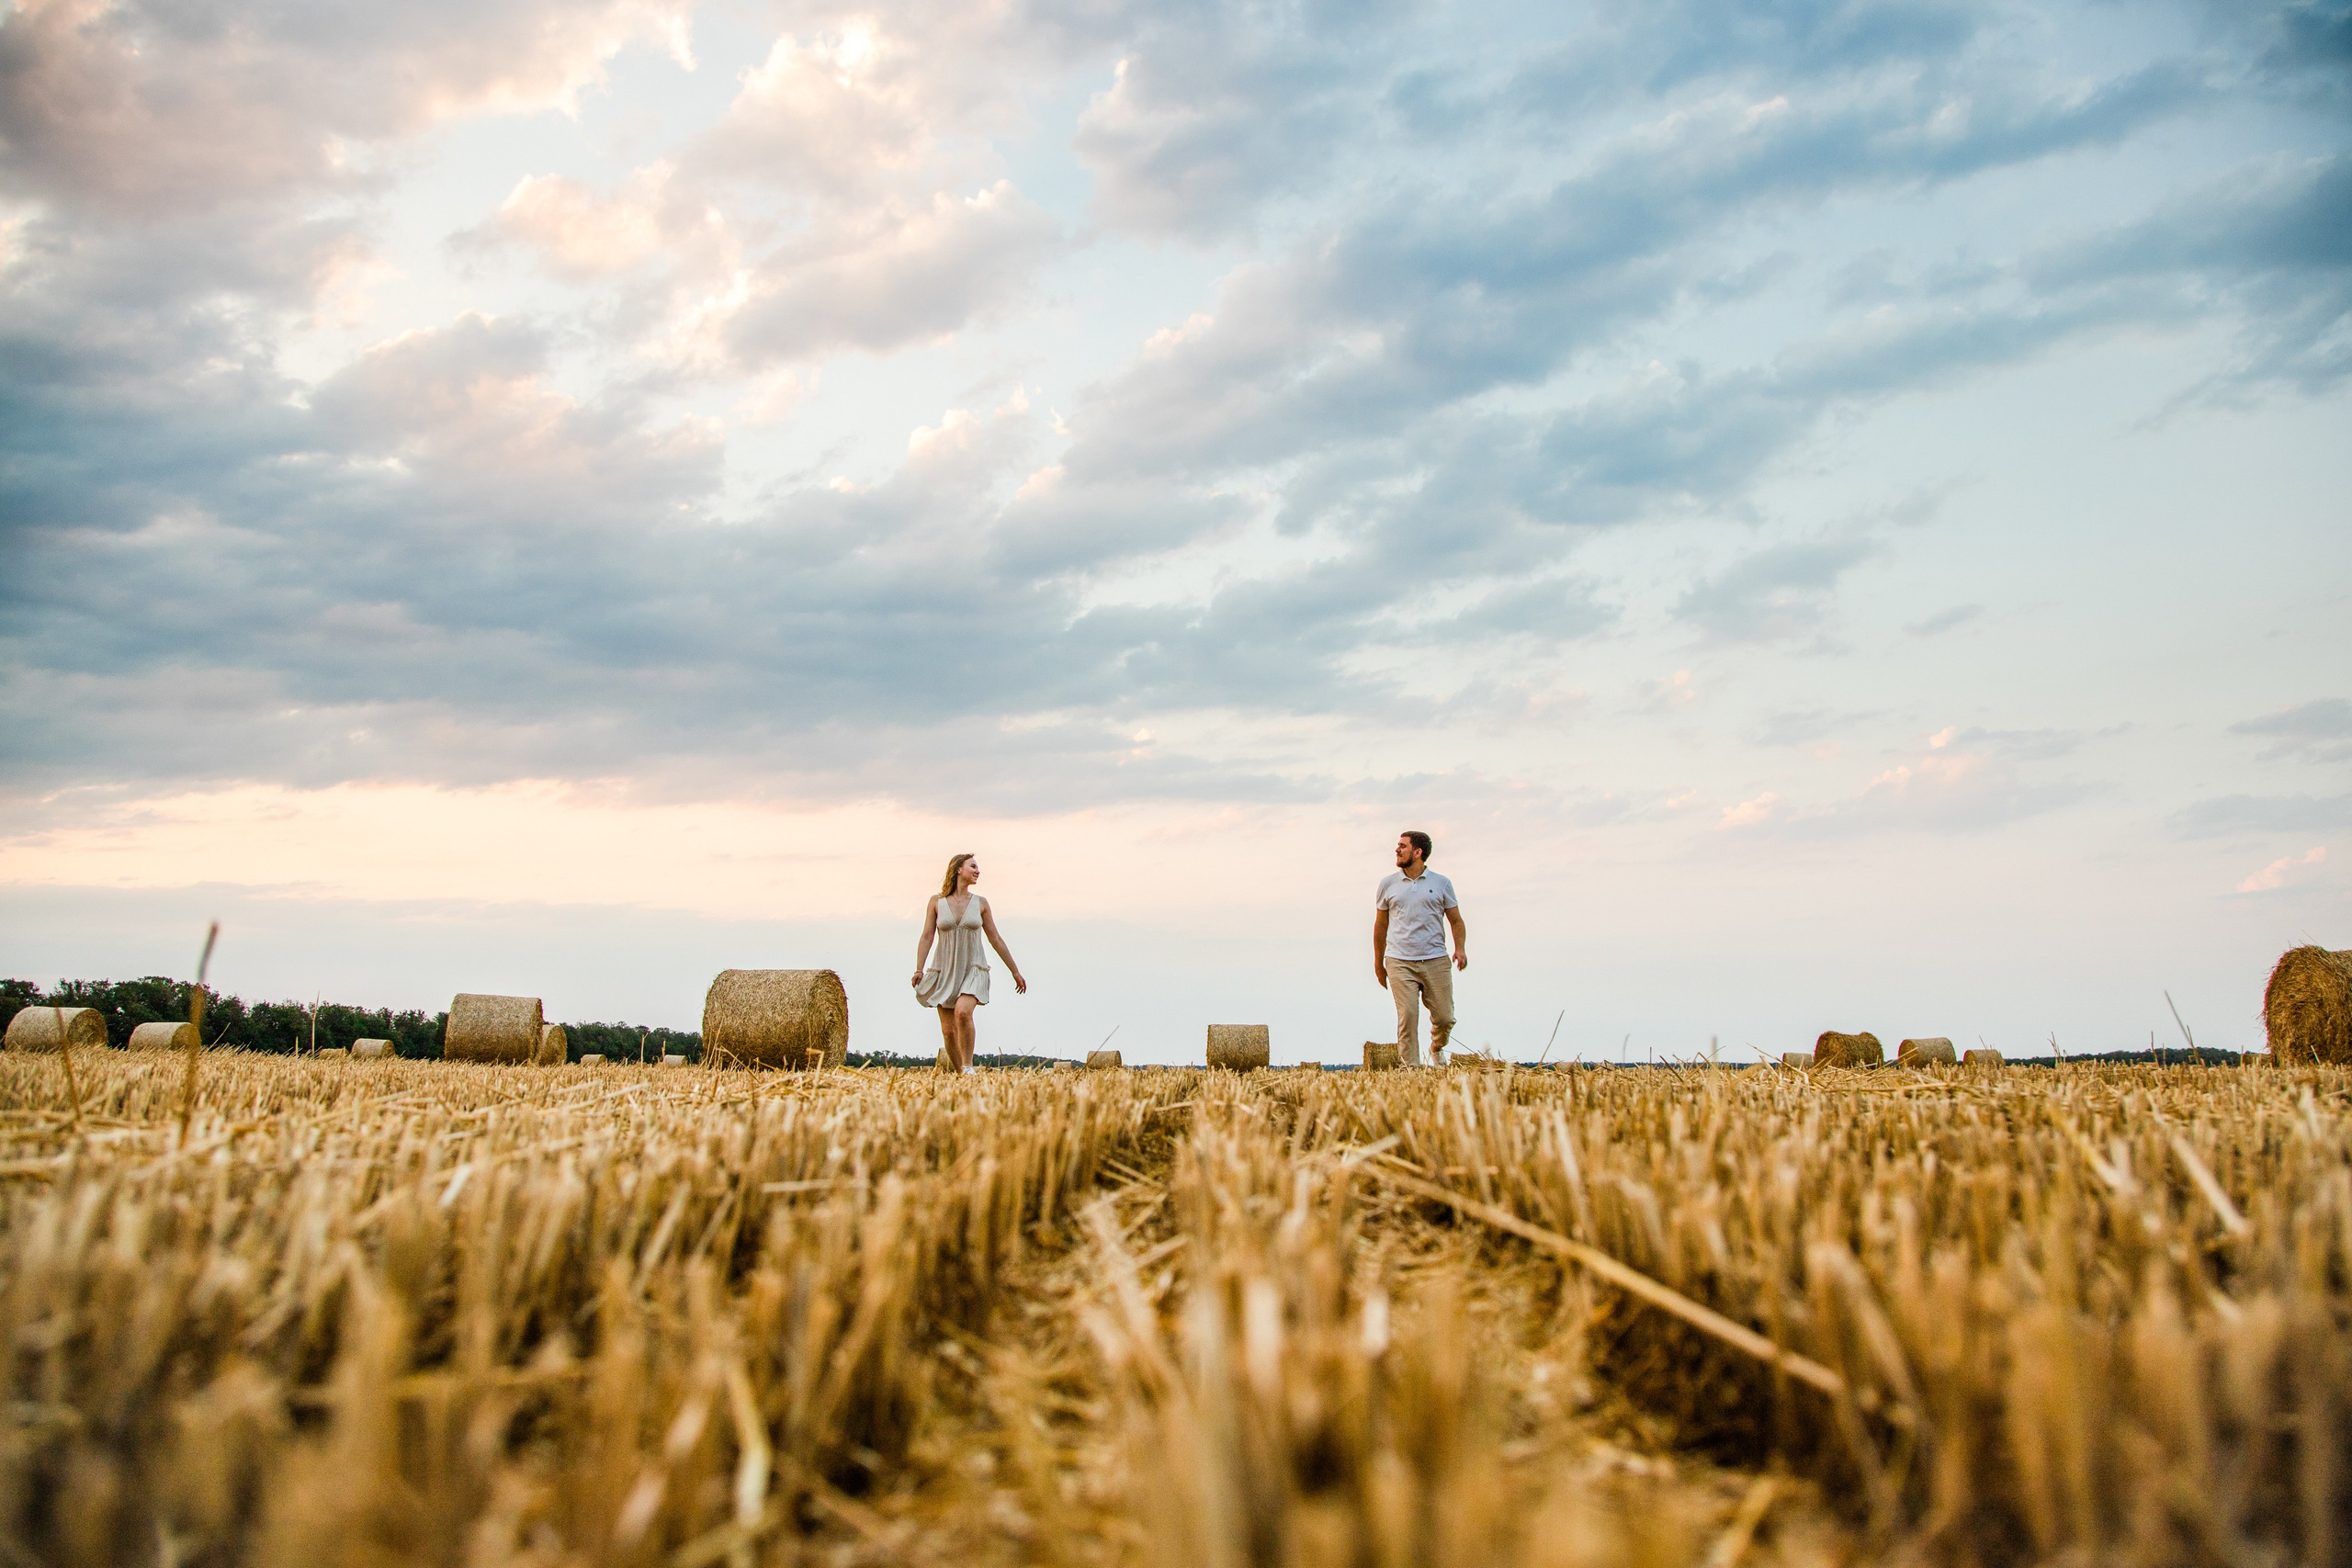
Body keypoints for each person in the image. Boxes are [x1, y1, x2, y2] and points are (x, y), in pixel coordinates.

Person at [912, 852, 1027, 1071]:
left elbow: (996, 938)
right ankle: (961, 1076)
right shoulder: (936, 902)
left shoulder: (981, 903)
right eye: (973, 866)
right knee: (948, 1031)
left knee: (963, 1013)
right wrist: (919, 968)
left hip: (973, 968)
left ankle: (968, 1066)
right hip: (944, 970)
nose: (978, 871)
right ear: (958, 869)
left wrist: (1015, 971)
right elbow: (927, 935)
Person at [1373, 830, 1465, 1066]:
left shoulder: (1441, 883)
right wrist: (1378, 963)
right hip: (1399, 961)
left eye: (1402, 846)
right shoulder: (1387, 884)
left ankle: (1436, 1047)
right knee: (1408, 1016)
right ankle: (1410, 1070)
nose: (1397, 850)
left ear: (1418, 852)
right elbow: (1380, 925)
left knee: (1445, 1018)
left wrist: (1460, 949)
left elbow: (1455, 920)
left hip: (1435, 959)